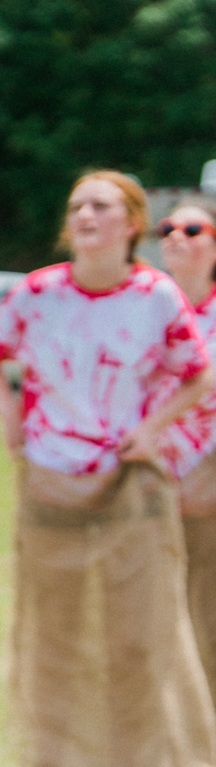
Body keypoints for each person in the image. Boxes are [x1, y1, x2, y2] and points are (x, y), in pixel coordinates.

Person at [0, 172, 216, 767]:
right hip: (51, 482)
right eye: (77, 205)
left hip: (130, 486)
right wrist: (8, 415)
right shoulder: (40, 292)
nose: (84, 215)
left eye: (101, 206)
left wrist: (151, 429)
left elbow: (196, 374)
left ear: (131, 223)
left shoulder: (155, 296)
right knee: (54, 636)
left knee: (138, 636)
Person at [159, 204, 216, 684]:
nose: (178, 236)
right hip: (148, 482)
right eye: (168, 228)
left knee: (206, 613)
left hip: (209, 487)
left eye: (193, 228)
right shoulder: (148, 309)